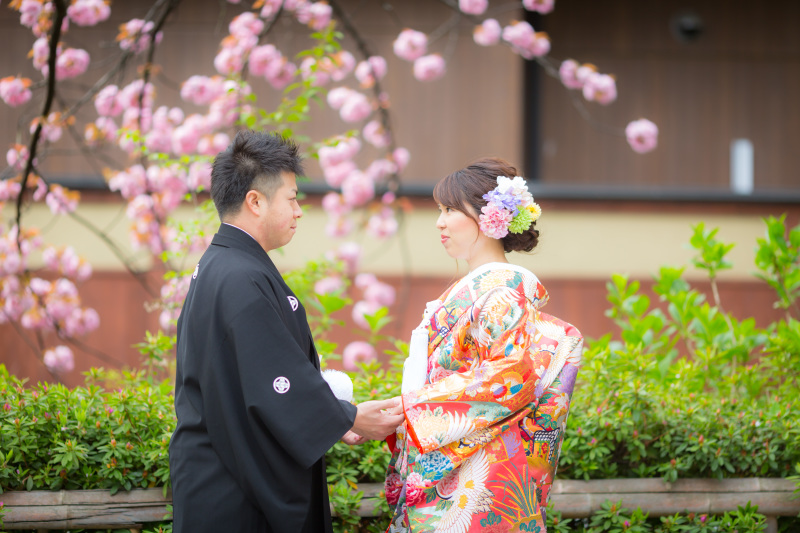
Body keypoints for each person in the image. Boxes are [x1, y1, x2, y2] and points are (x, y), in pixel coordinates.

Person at [169, 130, 404, 533]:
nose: (299, 211)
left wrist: (337, 418)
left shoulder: (226, 266)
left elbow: (258, 378)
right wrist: (346, 418)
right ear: (255, 202)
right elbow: (273, 382)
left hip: (219, 474)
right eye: (293, 198)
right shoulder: (238, 275)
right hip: (232, 493)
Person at [384, 158, 583, 533]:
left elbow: (508, 376)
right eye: (438, 210)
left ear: (489, 217)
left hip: (478, 470)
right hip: (466, 455)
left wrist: (412, 408)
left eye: (449, 210)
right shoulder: (483, 287)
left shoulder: (503, 289)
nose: (439, 222)